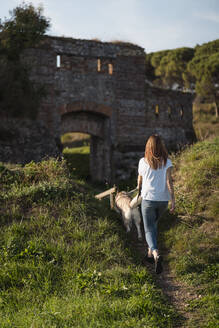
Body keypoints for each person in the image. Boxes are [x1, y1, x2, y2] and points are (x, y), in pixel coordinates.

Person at [137, 134, 175, 274]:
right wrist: (173, 201)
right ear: (162, 147)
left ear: (149, 147)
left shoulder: (143, 161)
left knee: (148, 229)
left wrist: (138, 190)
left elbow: (139, 181)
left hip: (148, 199)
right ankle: (149, 255)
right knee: (154, 225)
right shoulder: (167, 162)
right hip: (163, 201)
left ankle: (155, 253)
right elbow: (169, 183)